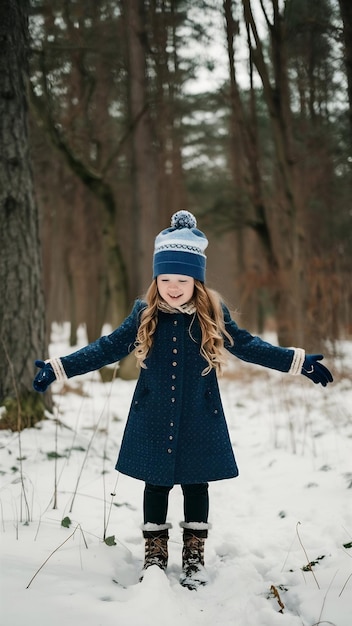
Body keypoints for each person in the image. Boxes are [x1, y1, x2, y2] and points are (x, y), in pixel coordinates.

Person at [33, 210, 333, 590]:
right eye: (166, 279)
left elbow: (249, 347)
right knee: (155, 485)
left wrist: (297, 362)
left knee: (196, 485)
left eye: (182, 279)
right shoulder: (145, 314)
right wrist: (58, 367)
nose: (173, 287)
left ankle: (194, 556)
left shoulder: (212, 314)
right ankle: (155, 555)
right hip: (153, 415)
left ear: (197, 282)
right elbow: (107, 348)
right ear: (156, 280)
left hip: (199, 416)